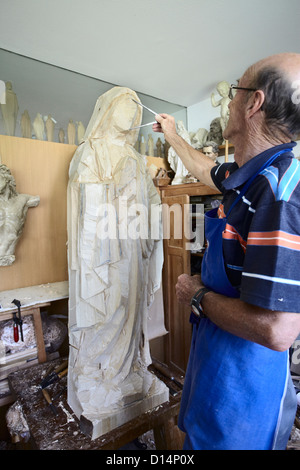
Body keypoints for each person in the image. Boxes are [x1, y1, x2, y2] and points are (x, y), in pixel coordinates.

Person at [152, 52, 300, 450]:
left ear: (253, 103)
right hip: (216, 359)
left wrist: (195, 293)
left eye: (235, 90)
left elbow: (278, 329)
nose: (229, 102)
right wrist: (173, 135)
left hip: (245, 387)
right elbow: (204, 169)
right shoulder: (245, 176)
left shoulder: (278, 193)